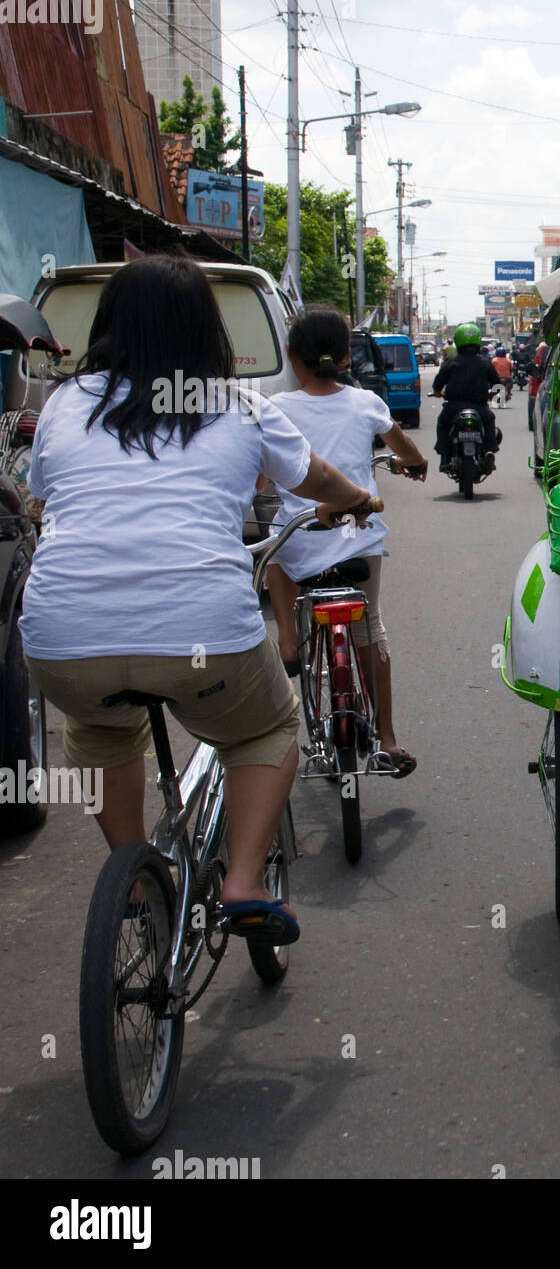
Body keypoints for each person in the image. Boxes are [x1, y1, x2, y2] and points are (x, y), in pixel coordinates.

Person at [20, 254, 373, 944]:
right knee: (264, 731)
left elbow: (44, 491)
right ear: (206, 330)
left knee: (96, 730)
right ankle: (242, 882)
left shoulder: (65, 402)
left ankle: (134, 874)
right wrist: (356, 499)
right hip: (201, 636)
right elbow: (314, 478)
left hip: (62, 637)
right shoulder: (240, 404)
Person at [262, 306, 428, 778]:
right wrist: (412, 463)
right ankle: (389, 739)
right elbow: (408, 450)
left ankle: (289, 641)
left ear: (291, 356)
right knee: (369, 628)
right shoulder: (365, 403)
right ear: (346, 357)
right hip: (358, 537)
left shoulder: (275, 411)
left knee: (276, 547)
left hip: (301, 540)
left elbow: (256, 481)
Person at [431, 323, 499, 470]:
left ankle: (444, 455)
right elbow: (497, 385)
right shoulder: (485, 363)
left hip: (454, 408)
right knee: (489, 420)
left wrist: (438, 393)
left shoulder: (451, 363)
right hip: (479, 408)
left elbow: (437, 385)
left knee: (443, 423)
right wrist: (491, 395)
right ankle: (489, 449)